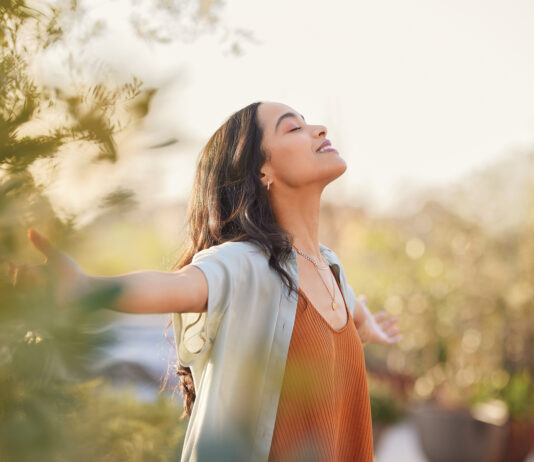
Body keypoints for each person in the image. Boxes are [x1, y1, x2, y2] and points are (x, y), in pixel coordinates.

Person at [18, 101, 402, 461]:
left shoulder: (330, 268)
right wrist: (85, 289)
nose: (319, 130)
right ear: (261, 171)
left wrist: (363, 321)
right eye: (294, 128)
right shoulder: (245, 264)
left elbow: (344, 306)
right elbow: (177, 286)